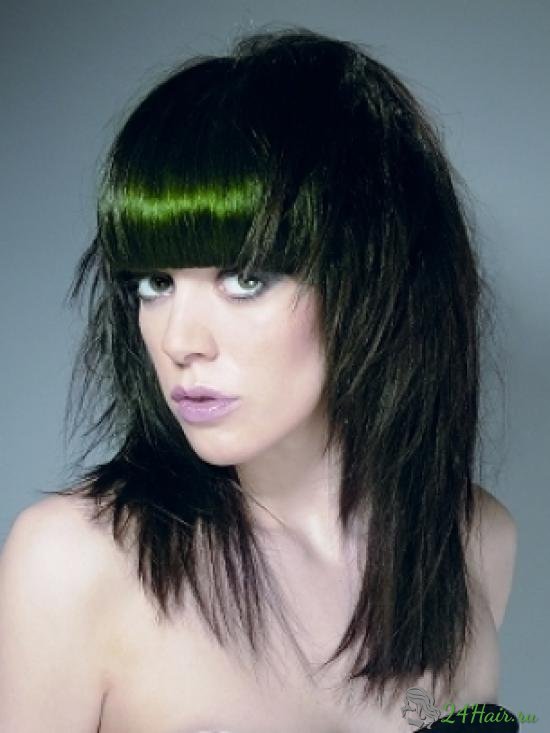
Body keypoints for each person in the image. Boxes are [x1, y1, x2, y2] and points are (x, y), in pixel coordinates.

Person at [0, 27, 518, 733]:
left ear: (375, 281)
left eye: (246, 279)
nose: (179, 341)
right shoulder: (75, 561)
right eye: (154, 283)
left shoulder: (474, 541)